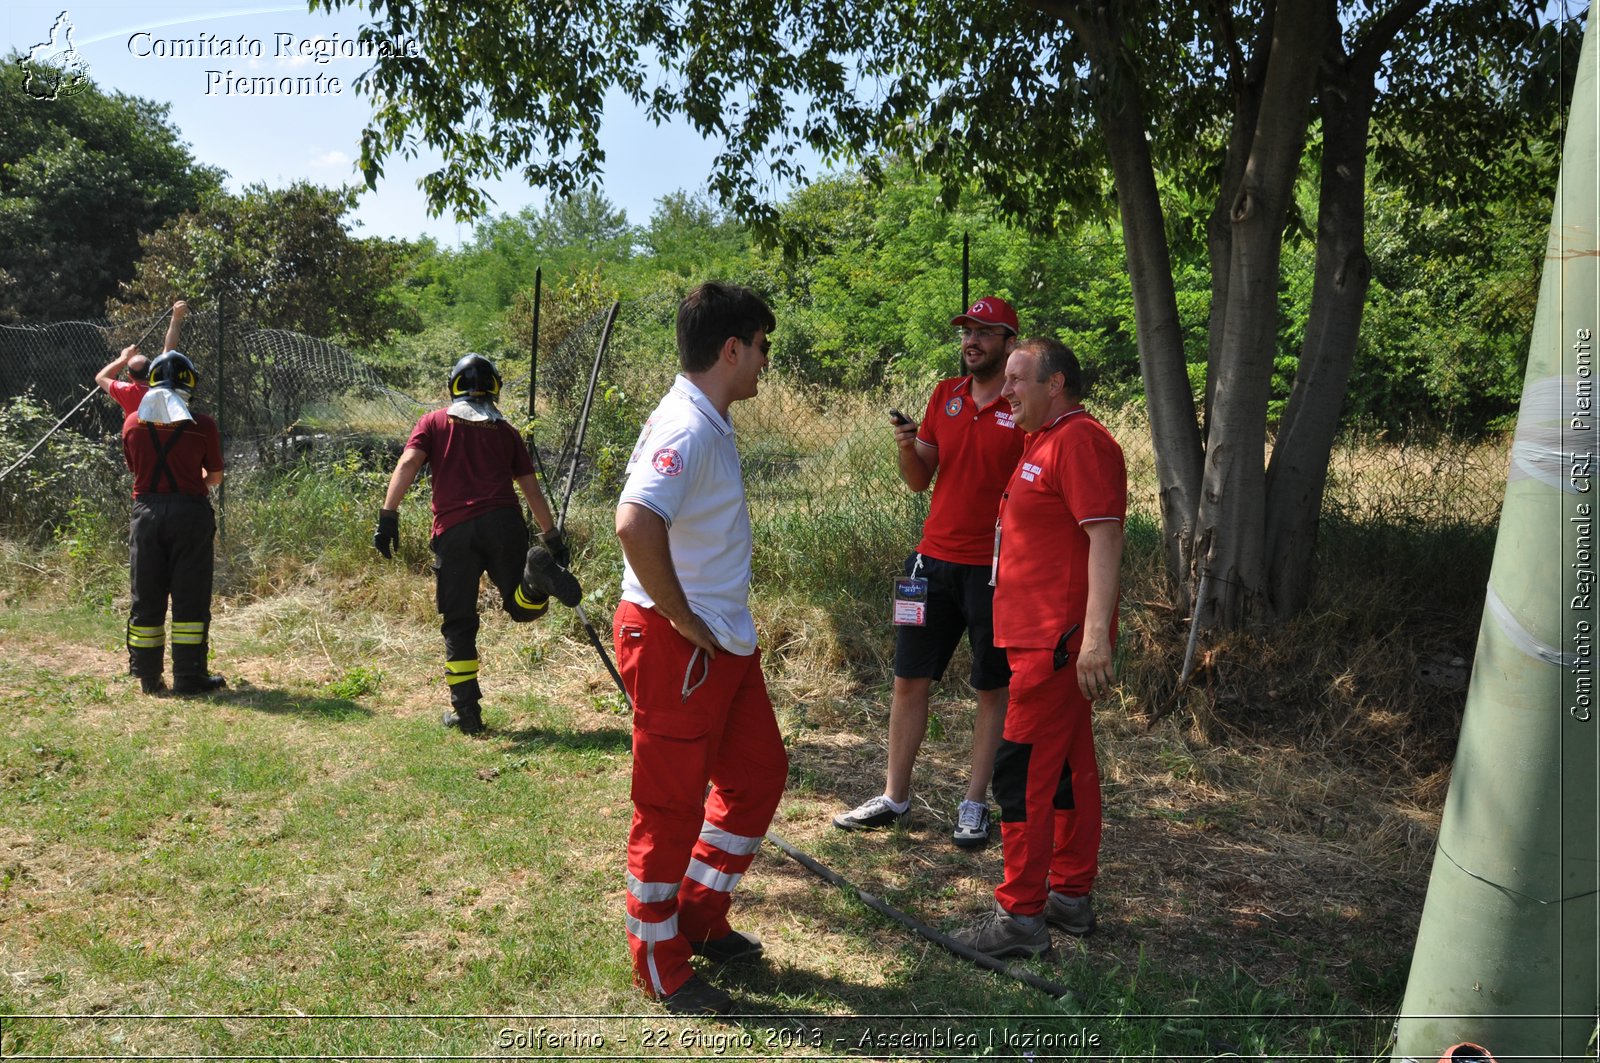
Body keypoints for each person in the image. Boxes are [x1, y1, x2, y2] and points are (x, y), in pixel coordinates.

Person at [613, 282, 789, 1016]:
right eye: (761, 348)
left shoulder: (709, 419)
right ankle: (658, 960)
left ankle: (697, 915)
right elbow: (634, 523)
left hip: (722, 642)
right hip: (679, 643)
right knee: (671, 804)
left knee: (757, 774)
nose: (765, 363)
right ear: (730, 349)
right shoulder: (685, 425)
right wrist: (683, 621)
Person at [951, 336, 1126, 958]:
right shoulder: (1042, 439)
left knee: (1020, 773)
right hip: (1036, 640)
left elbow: (1104, 538)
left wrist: (1095, 638)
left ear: (1057, 385)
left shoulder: (1081, 441)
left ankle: (1020, 916)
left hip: (1055, 645)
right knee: (1068, 773)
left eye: (1020, 379)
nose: (1006, 391)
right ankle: (1069, 896)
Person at [833, 296, 1024, 848]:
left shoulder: (1023, 403)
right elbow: (920, 479)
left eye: (986, 332)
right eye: (967, 331)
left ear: (1010, 343)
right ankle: (895, 797)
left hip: (994, 571)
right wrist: (905, 445)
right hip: (928, 563)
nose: (973, 341)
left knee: (992, 687)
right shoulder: (946, 395)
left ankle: (974, 803)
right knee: (907, 680)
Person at [373, 353, 579, 735]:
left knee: (459, 623)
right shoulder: (507, 433)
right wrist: (552, 538)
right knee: (521, 606)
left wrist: (388, 516)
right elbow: (530, 488)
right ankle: (535, 581)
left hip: (454, 532)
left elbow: (407, 464)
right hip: (505, 525)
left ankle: (467, 713)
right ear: (495, 388)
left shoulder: (433, 423)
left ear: (453, 386)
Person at [121, 349, 227, 695]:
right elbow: (214, 477)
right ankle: (189, 676)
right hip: (189, 516)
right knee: (190, 598)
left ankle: (148, 677)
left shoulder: (132, 422)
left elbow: (136, 469)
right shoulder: (203, 425)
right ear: (189, 384)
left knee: (146, 595)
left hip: (146, 516)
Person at [97, 300, 187, 415]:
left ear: (129, 376)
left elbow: (101, 377)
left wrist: (122, 359)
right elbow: (169, 348)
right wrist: (176, 318)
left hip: (138, 432)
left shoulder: (126, 391)